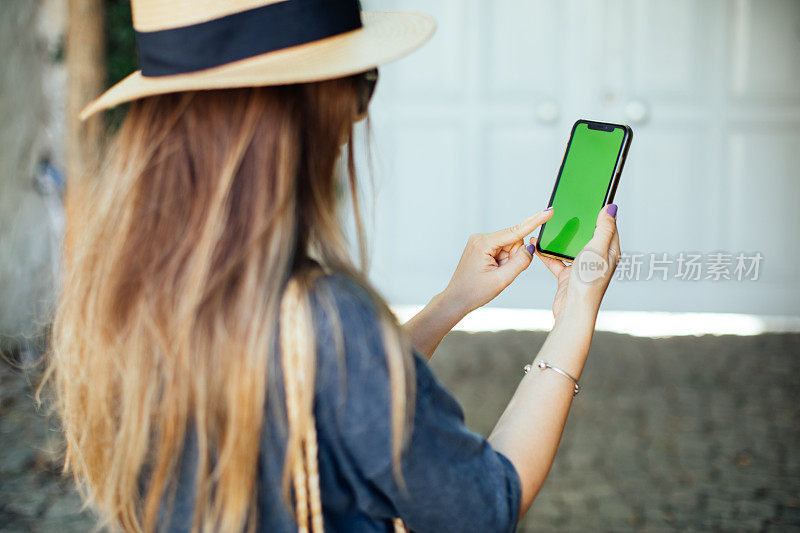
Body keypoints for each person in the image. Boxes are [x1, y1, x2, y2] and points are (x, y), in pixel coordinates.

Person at [45, 1, 621, 532]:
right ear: (304, 106)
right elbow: (484, 506)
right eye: (359, 82)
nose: (354, 116)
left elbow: (324, 399)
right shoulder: (328, 317)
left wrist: (451, 303)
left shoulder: (123, 291)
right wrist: (576, 315)